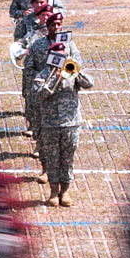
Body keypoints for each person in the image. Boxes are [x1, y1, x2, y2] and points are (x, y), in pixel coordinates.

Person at [32, 37, 92, 208]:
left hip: (70, 123)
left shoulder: (71, 71)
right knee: (52, 159)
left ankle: (64, 191)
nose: (61, 60)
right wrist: (54, 77)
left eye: (63, 56)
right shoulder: (42, 75)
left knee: (67, 159)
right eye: (57, 57)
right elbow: (38, 96)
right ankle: (53, 191)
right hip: (50, 124)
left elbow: (89, 83)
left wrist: (74, 70)